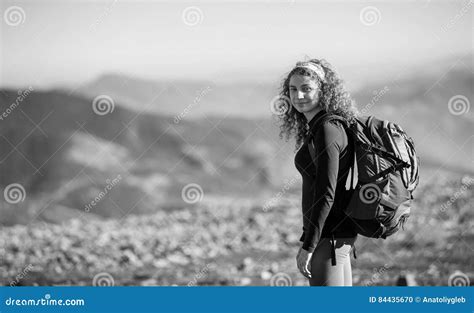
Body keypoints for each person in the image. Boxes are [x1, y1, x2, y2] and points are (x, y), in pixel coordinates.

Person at [277, 58, 359, 286]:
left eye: (306, 88)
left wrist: (309, 246)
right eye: (293, 89)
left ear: (323, 91)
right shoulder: (325, 126)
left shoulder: (326, 130)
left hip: (329, 237)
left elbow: (326, 192)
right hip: (337, 235)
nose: (298, 96)